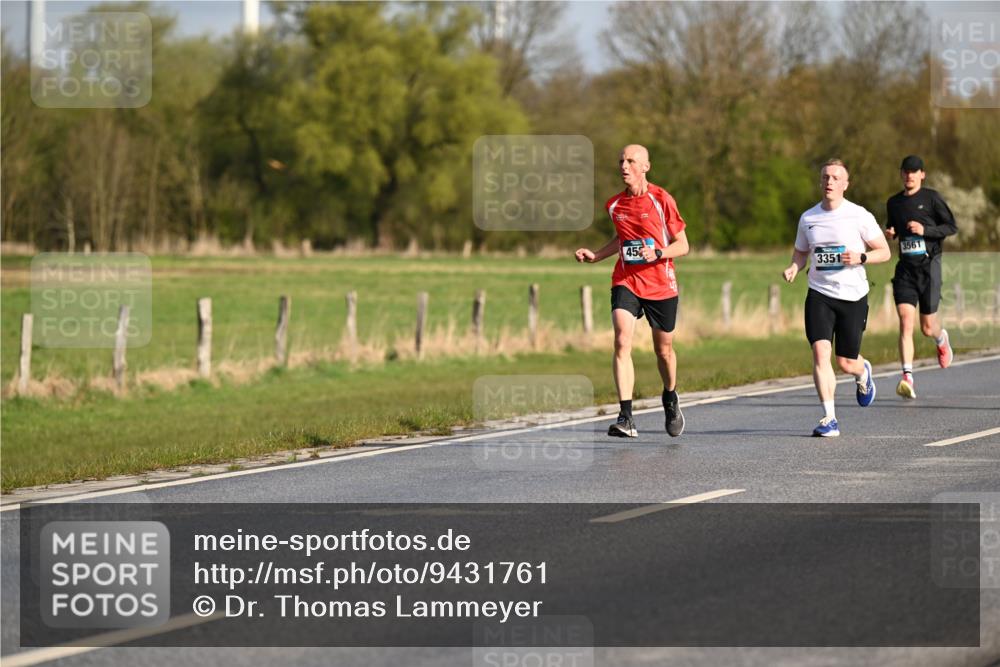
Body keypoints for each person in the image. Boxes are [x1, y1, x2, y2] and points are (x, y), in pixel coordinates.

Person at [574, 144, 690, 438]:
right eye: (621, 161)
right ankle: (626, 416)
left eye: (630, 161)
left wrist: (660, 253)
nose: (624, 166)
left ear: (645, 167)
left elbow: (683, 244)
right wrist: (597, 255)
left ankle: (670, 396)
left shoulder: (661, 199)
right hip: (626, 279)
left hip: (661, 283)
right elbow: (621, 239)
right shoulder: (615, 205)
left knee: (663, 351)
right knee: (621, 339)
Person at [783, 159, 891, 437]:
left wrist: (861, 257)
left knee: (845, 361)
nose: (829, 182)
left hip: (853, 296)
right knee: (820, 352)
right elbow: (801, 251)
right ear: (820, 183)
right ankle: (829, 417)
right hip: (819, 294)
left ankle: (862, 371)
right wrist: (795, 266)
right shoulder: (808, 218)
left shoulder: (859, 216)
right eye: (825, 177)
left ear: (845, 184)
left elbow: (885, 251)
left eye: (835, 178)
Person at [885, 155, 957, 399]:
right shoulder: (893, 203)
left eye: (914, 172)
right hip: (905, 270)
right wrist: (891, 232)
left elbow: (951, 227)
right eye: (906, 171)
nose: (910, 175)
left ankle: (940, 338)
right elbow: (893, 227)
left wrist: (925, 230)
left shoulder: (932, 198)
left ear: (922, 175)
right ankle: (907, 377)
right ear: (901, 174)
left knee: (927, 327)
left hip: (929, 268)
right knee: (906, 321)